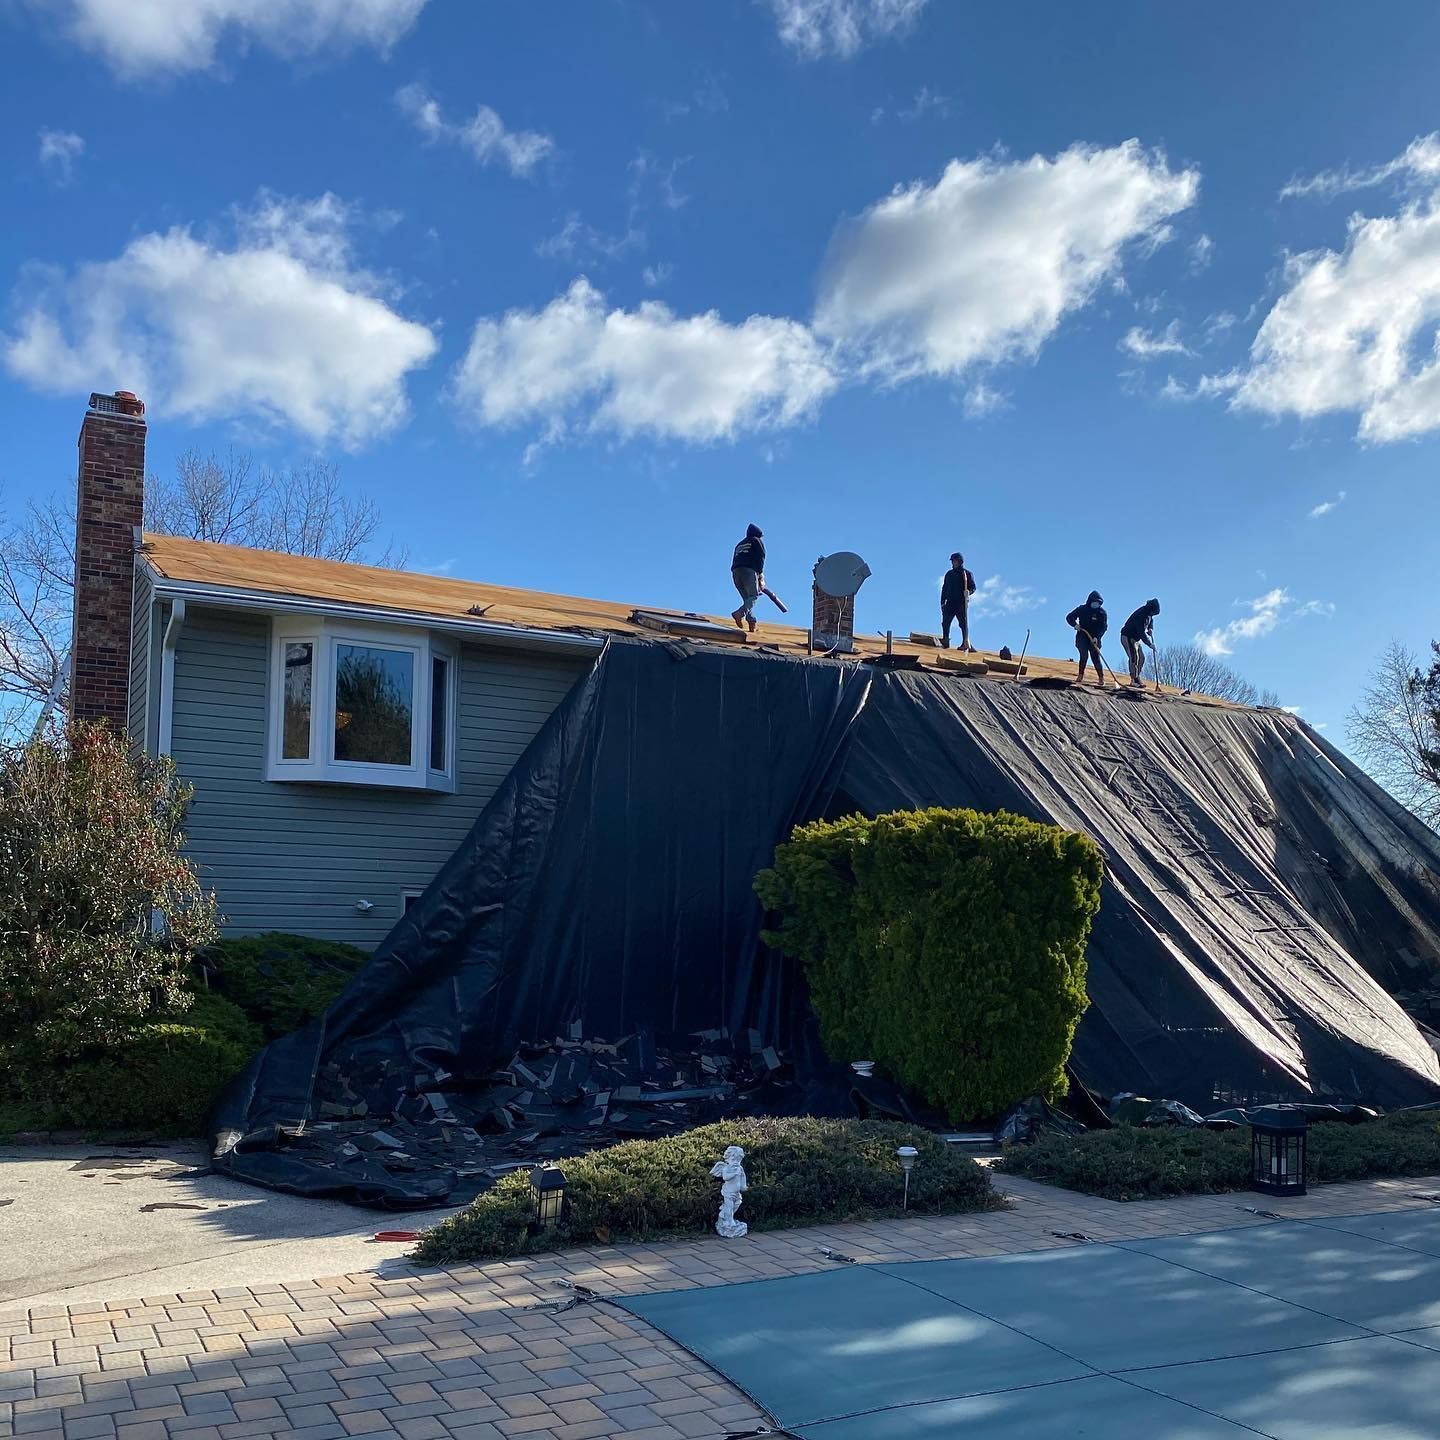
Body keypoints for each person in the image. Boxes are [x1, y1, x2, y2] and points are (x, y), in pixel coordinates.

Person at [1066, 591, 1108, 687]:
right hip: (1082, 635)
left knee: (1095, 657)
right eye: (1094, 602)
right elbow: (1069, 617)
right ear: (1090, 601)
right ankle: (1080, 675)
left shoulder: (1102, 613)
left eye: (1098, 603)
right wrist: (1075, 625)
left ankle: (1101, 678)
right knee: (1083, 655)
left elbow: (1104, 627)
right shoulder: (1082, 609)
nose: (1096, 604)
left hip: (1095, 637)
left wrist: (1097, 637)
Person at [730, 523, 766, 633]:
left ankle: (751, 621)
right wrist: (760, 574)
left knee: (747, 599)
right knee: (754, 596)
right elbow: (761, 557)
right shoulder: (756, 540)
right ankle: (740, 613)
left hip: (736, 572)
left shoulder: (739, 544)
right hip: (748, 571)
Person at [940, 552, 977, 650]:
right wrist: (942, 602)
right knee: (945, 622)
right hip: (950, 602)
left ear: (959, 561)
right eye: (952, 561)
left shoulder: (967, 574)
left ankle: (965, 642)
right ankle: (945, 640)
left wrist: (968, 592)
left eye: (955, 561)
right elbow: (944, 589)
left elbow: (973, 587)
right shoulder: (949, 574)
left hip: (961, 603)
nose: (953, 563)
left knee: (963, 624)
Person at [1121, 598, 1161, 687]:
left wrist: (1150, 628)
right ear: (1150, 609)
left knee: (1141, 658)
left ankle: (1136, 677)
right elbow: (1141, 632)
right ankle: (1133, 680)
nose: (1153, 614)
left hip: (1135, 640)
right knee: (1134, 657)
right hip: (1128, 636)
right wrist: (1149, 643)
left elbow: (1151, 620)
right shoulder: (1141, 614)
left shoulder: (1149, 614)